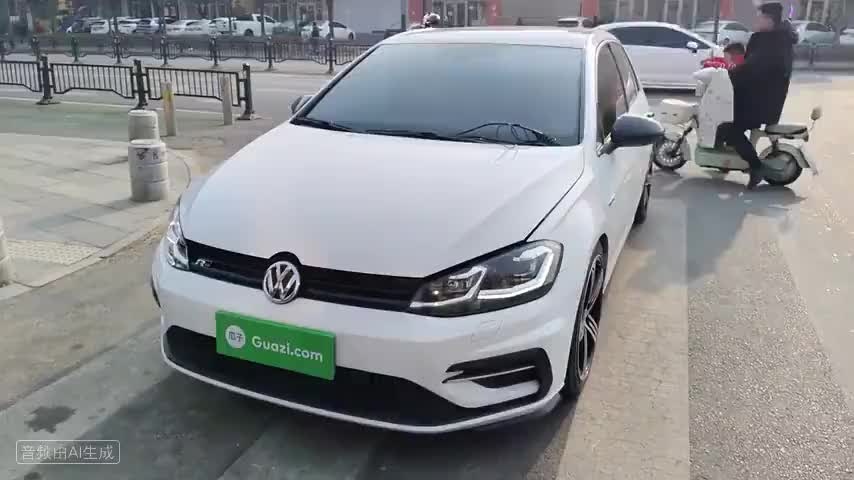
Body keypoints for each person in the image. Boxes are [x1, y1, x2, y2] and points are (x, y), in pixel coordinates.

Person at [725, 1, 797, 189]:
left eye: (760, 17)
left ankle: (756, 167)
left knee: (729, 129)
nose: (756, 21)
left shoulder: (772, 42)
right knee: (727, 120)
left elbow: (753, 68)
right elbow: (751, 65)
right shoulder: (778, 39)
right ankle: (728, 162)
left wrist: (728, 76)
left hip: (760, 102)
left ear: (770, 20)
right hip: (763, 98)